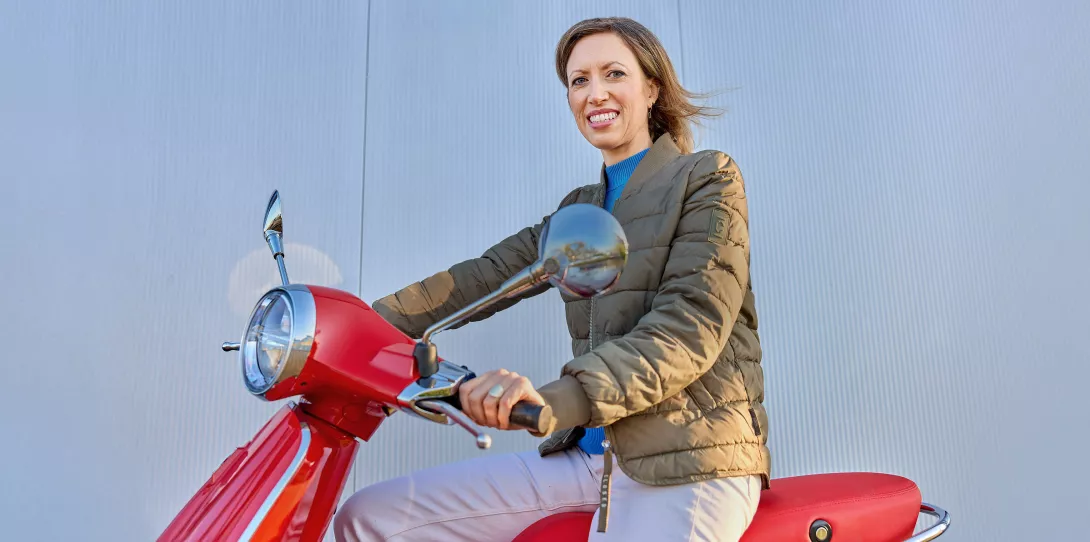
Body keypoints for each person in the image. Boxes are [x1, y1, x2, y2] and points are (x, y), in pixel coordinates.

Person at [334, 16, 769, 542]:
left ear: (652, 88)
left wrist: (556, 400)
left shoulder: (706, 177)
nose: (595, 92)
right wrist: (349, 325)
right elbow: (486, 275)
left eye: (613, 73)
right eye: (579, 80)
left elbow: (689, 326)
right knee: (371, 517)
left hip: (690, 458)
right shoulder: (579, 211)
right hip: (589, 459)